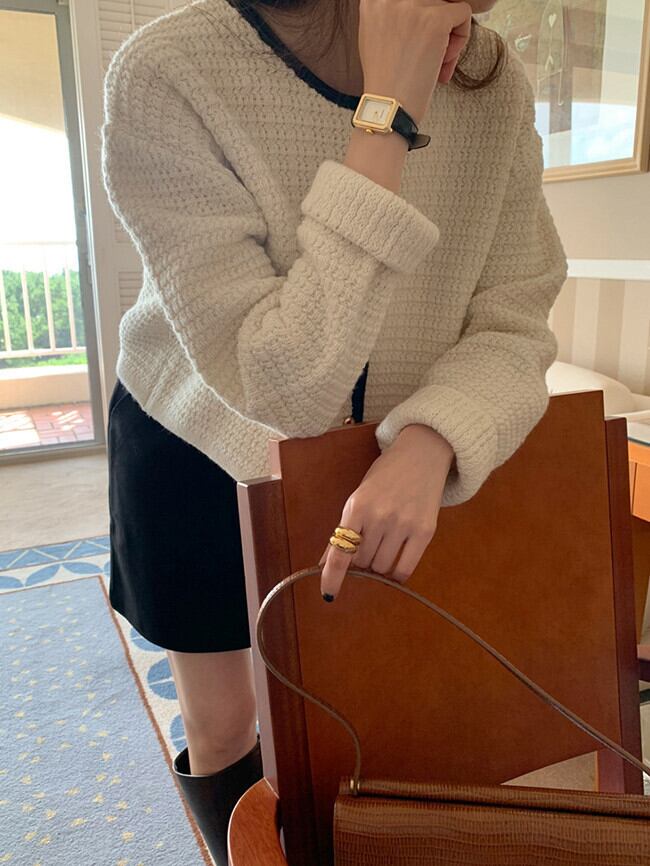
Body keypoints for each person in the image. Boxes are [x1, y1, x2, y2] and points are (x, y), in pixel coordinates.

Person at [100, 0, 568, 861]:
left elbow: (516, 320)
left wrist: (432, 440)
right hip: (200, 434)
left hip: (388, 455)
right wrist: (388, 112)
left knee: (363, 709)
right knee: (224, 724)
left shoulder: (492, 81)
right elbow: (282, 385)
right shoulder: (168, 69)